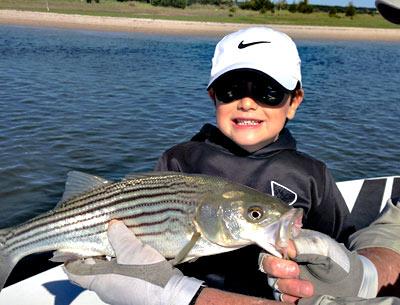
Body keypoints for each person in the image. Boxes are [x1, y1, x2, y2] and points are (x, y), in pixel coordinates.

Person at [64, 27, 400, 305]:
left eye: (269, 92)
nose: (248, 102)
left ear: (294, 101)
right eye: (231, 89)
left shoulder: (312, 174)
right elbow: (149, 227)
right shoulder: (181, 159)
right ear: (213, 96)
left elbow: (338, 244)